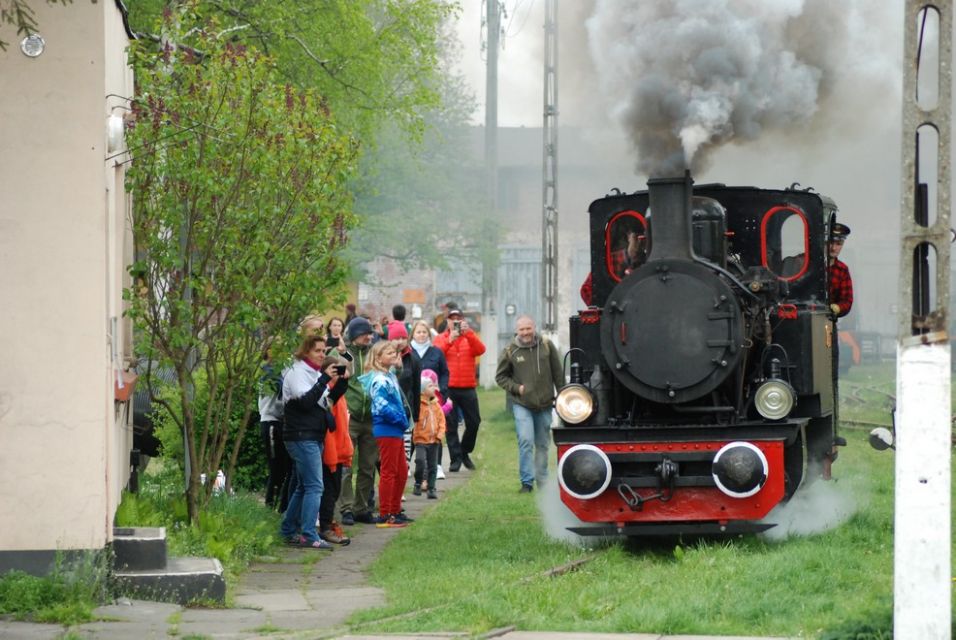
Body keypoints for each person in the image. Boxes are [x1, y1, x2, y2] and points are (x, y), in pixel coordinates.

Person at [279, 334, 340, 549]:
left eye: (324, 351)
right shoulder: (297, 372)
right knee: (315, 486)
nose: (322, 355)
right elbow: (305, 402)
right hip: (301, 436)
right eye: (318, 351)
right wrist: (324, 379)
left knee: (304, 487)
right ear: (306, 351)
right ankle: (308, 534)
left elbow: (323, 402)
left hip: (312, 435)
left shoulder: (314, 372)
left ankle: (288, 530)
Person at [495, 315, 564, 493]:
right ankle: (527, 482)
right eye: (522, 329)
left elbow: (558, 374)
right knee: (526, 441)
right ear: (517, 331)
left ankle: (542, 479)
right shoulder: (510, 350)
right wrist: (517, 388)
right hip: (522, 404)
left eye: (528, 328)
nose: (526, 332)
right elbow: (500, 377)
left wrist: (563, 396)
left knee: (542, 444)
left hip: (545, 405)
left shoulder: (547, 346)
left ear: (534, 327)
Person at [358, 340, 411, 528]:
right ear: (378, 358)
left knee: (402, 472)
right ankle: (385, 513)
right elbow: (381, 404)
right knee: (389, 472)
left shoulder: (388, 375)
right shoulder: (379, 380)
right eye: (389, 353)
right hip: (387, 429)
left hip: (395, 429)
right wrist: (400, 418)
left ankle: (395, 510)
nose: (393, 355)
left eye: (393, 353)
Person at [433, 307, 486, 472]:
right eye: (452, 319)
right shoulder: (441, 338)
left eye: (458, 319)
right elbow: (436, 355)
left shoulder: (470, 337)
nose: (454, 322)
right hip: (448, 388)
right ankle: (455, 459)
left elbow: (480, 350)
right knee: (451, 424)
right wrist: (450, 341)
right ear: (447, 321)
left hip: (468, 387)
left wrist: (468, 333)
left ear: (462, 320)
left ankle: (464, 451)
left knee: (474, 422)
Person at [337, 316, 378, 525]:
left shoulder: (374, 355)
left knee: (368, 466)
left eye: (370, 333)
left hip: (371, 417)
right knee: (346, 464)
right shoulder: (343, 355)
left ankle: (362, 508)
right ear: (354, 336)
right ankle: (346, 507)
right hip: (350, 417)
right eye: (365, 333)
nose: (369, 337)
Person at [317, 353, 353, 546]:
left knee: (335, 489)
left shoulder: (338, 393)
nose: (341, 373)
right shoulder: (325, 392)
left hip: (339, 448)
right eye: (336, 369)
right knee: (329, 490)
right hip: (330, 449)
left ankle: (328, 522)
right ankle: (325, 526)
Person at [410, 320, 451, 478]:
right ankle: (409, 463)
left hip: (433, 398)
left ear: (428, 334)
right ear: (413, 334)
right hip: (414, 398)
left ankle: (437, 465)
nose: (421, 335)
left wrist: (442, 389)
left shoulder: (436, 352)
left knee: (434, 429)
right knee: (415, 430)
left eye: (424, 332)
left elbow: (445, 372)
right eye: (418, 332)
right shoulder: (408, 352)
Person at [258, 347, 290, 512]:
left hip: (282, 422)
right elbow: (281, 394)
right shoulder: (269, 373)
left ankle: (280, 507)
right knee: (276, 467)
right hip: (271, 421)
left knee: (284, 467)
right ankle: (270, 506)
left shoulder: (285, 369)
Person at [580, 231, 647, 306]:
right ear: (629, 237)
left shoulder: (648, 262)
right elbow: (586, 291)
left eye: (643, 240)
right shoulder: (610, 261)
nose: (639, 243)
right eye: (636, 238)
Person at [413, 370, 446, 499]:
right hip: (421, 440)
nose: (434, 388)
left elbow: (442, 421)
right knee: (420, 461)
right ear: (422, 390)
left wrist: (439, 435)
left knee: (433, 466)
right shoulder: (419, 405)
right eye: (430, 386)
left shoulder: (436, 405)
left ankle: (432, 488)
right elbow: (415, 421)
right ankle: (418, 482)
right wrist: (415, 435)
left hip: (434, 441)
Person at [828, 223, 853, 318]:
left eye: (839, 244)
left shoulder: (842, 270)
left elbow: (847, 300)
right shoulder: (807, 263)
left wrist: (838, 307)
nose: (833, 248)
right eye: (831, 243)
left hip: (829, 320)